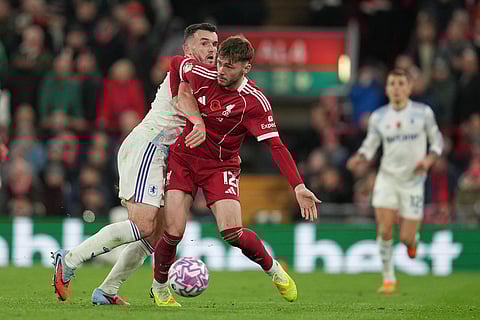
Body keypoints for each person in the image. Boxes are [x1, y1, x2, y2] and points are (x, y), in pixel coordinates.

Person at [51, 23, 218, 304]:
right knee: (142, 225)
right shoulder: (184, 68)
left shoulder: (211, 78)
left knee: (157, 235)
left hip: (165, 156)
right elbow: (182, 100)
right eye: (204, 43)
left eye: (215, 44)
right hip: (149, 147)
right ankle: (69, 261)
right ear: (188, 49)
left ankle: (107, 291)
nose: (211, 49)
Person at [149, 36, 321, 307]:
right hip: (184, 158)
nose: (220, 70)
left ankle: (274, 270)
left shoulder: (254, 102)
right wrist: (178, 98)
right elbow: (174, 63)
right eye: (219, 63)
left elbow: (275, 146)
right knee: (173, 232)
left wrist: (298, 186)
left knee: (232, 232)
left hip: (220, 165)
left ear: (246, 68)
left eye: (228, 66)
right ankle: (159, 289)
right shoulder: (201, 70)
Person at [346, 68, 444, 295]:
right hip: (387, 178)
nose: (397, 88)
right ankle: (388, 278)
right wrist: (360, 158)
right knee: (385, 228)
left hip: (413, 181)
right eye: (392, 84)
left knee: (407, 237)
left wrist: (429, 160)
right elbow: (370, 146)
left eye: (401, 83)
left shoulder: (423, 112)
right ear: (387, 89)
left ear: (409, 87)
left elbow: (437, 140)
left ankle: (412, 242)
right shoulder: (379, 116)